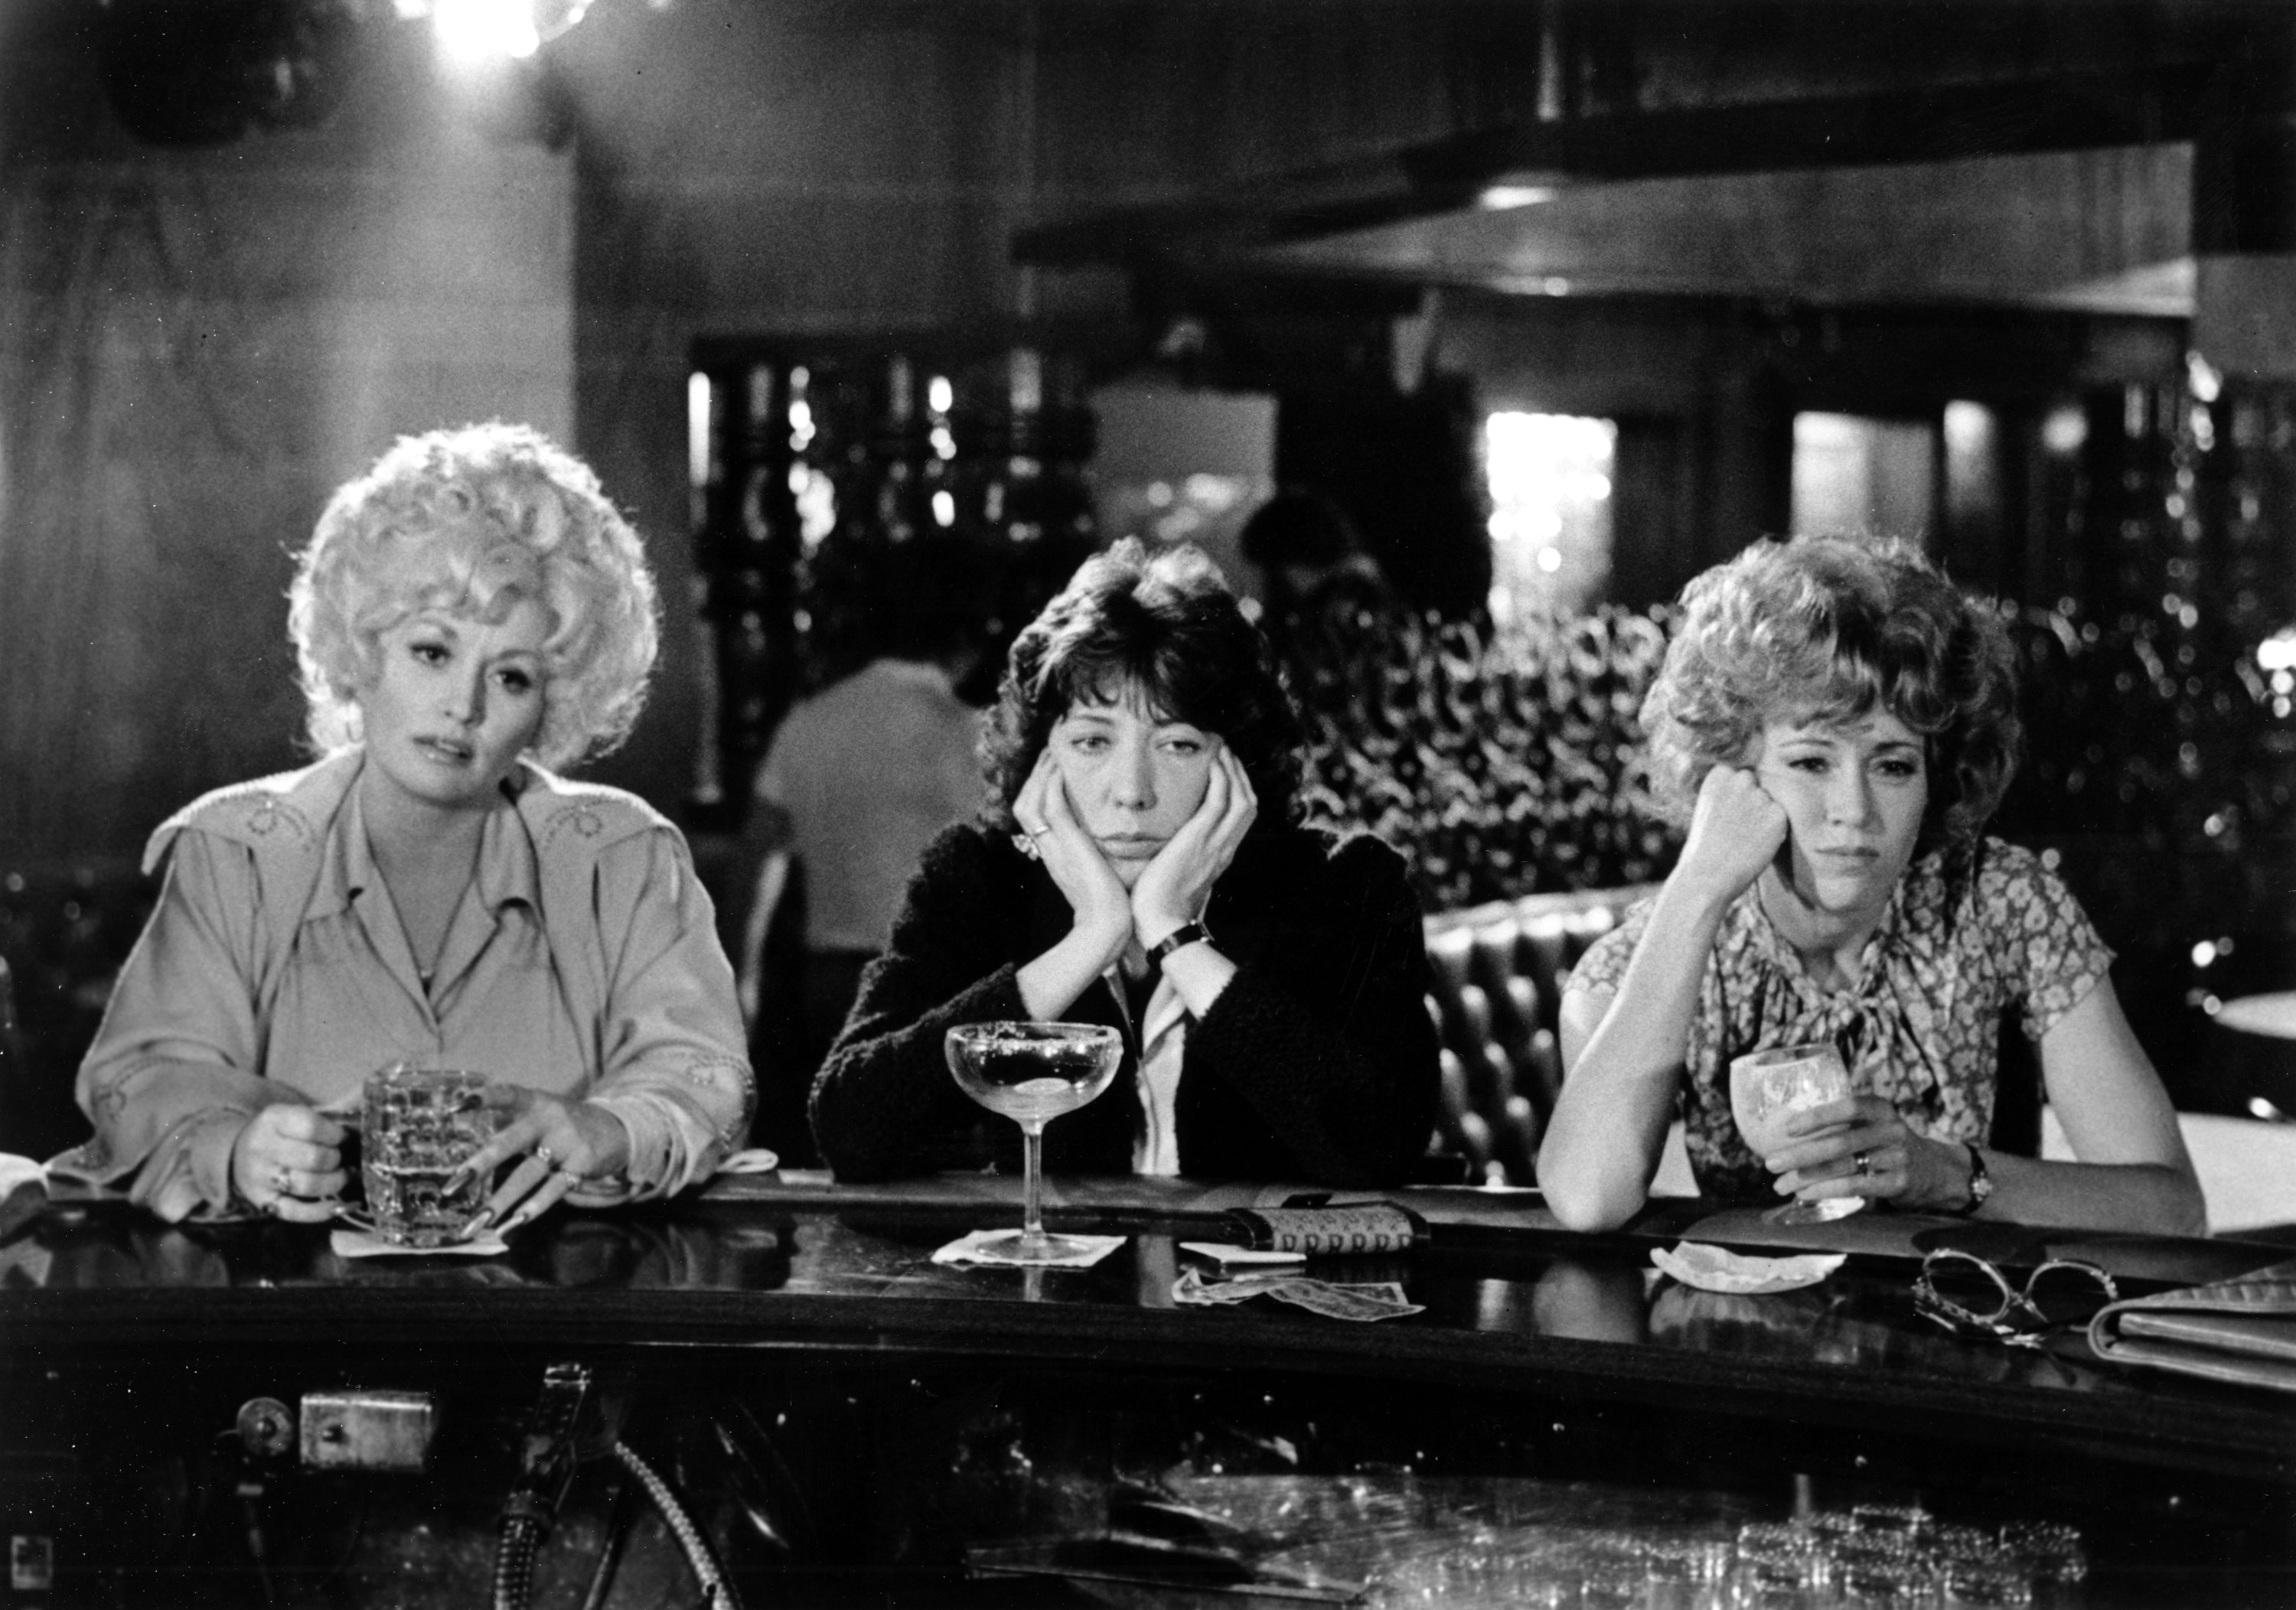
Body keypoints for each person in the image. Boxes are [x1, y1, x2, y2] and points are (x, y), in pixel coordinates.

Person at [52, 422, 752, 1229]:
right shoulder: (237, 852)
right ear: (363, 650)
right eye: (432, 652)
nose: (465, 705)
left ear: (554, 704)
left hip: (558, 1324)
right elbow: (142, 1075)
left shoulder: (621, 861)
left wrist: (605, 1127)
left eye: (513, 676)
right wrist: (237, 1149)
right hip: (298, 1329)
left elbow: (704, 1074)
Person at [1537, 536, 2201, 1236]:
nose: (1853, 811)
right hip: (1744, 1337)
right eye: (1811, 761)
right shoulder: (1638, 960)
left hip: (1965, 1330)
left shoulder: (2005, 904)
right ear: (1728, 772)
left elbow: (2173, 1212)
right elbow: (1588, 1200)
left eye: (1891, 766)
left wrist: (1946, 1174)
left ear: (1935, 778)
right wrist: (1699, 887)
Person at [808, 539, 1438, 1185]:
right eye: (1092, 742)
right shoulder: (973, 878)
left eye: (1178, 744)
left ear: (1238, 761)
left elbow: (1382, 1149)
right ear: (1041, 760)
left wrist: (1175, 934)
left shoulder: (1348, 887)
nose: (1132, 791)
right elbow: (850, 1129)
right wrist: (1090, 939)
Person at [739, 539, 990, 1162]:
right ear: (965, 640)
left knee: (835, 1157)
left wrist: (741, 978)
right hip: (935, 986)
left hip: (825, 980)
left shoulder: (809, 722)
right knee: (934, 1169)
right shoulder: (968, 734)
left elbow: (758, 855)